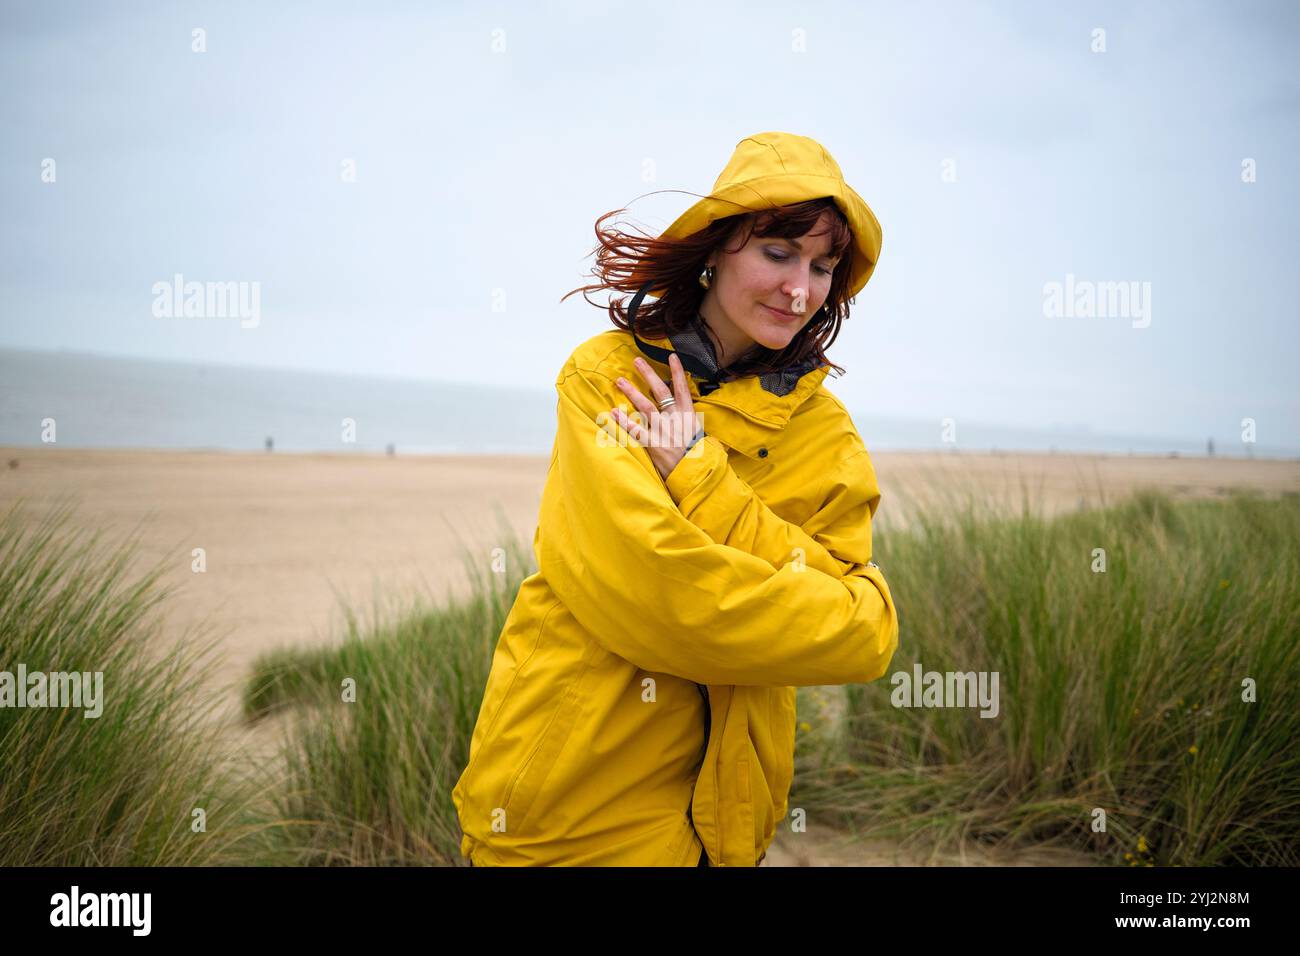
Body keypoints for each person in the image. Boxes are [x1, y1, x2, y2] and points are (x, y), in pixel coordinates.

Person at [451, 131, 900, 867]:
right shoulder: (608, 378)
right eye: (779, 254)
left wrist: (699, 477)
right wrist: (802, 600)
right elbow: (663, 602)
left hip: (726, 829)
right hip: (566, 813)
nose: (801, 290)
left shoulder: (824, 432)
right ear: (718, 248)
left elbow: (866, 635)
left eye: (822, 267)